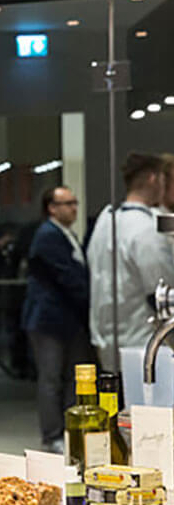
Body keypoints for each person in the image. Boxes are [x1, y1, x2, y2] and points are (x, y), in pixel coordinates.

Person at [21, 186, 93, 453]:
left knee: (73, 377)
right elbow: (68, 277)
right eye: (67, 203)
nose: (74, 208)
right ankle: (52, 436)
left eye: (75, 202)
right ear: (51, 208)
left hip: (67, 319)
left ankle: (68, 431)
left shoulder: (66, 233)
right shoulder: (48, 236)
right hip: (48, 320)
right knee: (51, 379)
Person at [87, 152, 174, 372]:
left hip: (107, 341)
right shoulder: (147, 229)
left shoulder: (106, 220)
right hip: (143, 343)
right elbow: (161, 292)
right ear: (154, 179)